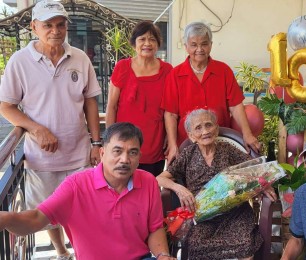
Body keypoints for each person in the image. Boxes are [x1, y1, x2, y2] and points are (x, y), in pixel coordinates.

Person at [0, 1, 101, 259]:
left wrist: (97, 143)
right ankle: (61, 251)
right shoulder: (20, 61)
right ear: (34, 27)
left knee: (84, 211)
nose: (55, 30)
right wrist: (36, 129)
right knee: (47, 213)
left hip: (79, 153)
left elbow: (90, 100)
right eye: (48, 25)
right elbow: (6, 107)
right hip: (42, 157)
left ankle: (84, 253)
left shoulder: (79, 57)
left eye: (60, 24)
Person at [0, 122, 176, 260]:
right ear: (102, 153)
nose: (124, 159)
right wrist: (7, 218)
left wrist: (163, 256)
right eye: (117, 151)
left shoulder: (148, 182)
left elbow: (155, 228)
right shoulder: (76, 186)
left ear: (139, 157)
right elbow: (36, 219)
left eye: (133, 153)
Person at [156, 108, 276, 260]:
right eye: (198, 128)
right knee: (196, 243)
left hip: (235, 213)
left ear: (216, 129)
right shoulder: (188, 154)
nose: (205, 131)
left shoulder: (227, 149)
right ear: (191, 136)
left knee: (245, 242)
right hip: (203, 215)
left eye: (208, 125)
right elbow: (159, 179)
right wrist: (179, 188)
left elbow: (255, 169)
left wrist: (263, 185)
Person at [161, 21, 261, 165]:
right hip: (187, 143)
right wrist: (172, 144)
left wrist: (247, 134)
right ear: (186, 47)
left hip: (220, 140)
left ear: (211, 45)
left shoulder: (224, 71)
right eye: (194, 44)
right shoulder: (175, 75)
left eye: (204, 44)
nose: (199, 49)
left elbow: (236, 106)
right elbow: (170, 114)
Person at [106, 20, 173, 177]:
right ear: (133, 43)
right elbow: (111, 106)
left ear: (158, 44)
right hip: (123, 144)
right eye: (142, 39)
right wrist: (109, 139)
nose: (147, 44)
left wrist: (170, 138)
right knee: (122, 189)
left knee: (150, 189)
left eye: (152, 39)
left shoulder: (168, 71)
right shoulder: (122, 67)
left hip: (154, 144)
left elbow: (170, 110)